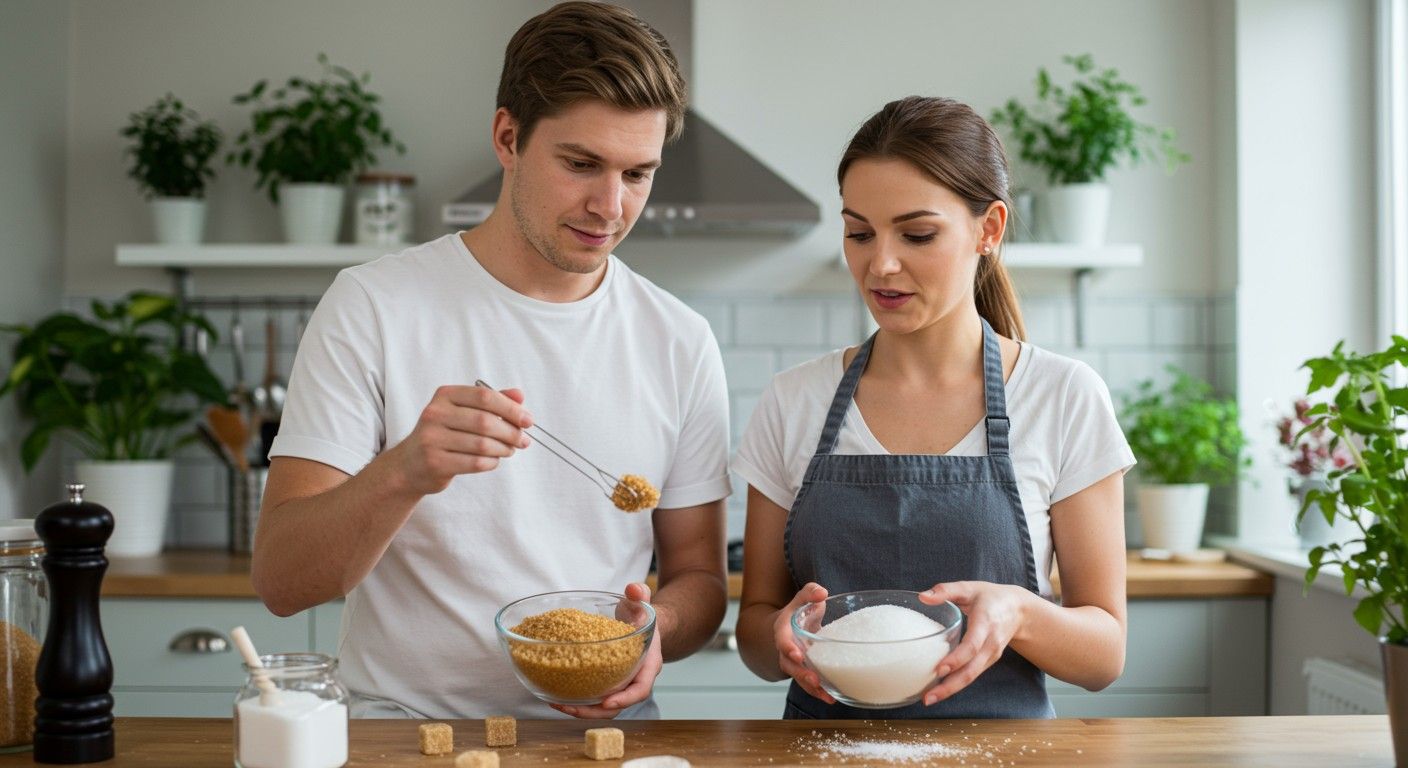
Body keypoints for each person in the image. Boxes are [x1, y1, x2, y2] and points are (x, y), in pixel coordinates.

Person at [252, 1, 731, 721]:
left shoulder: (679, 339)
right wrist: (406, 470)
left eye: (638, 173)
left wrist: (655, 629)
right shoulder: (374, 306)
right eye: (581, 164)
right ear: (508, 137)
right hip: (401, 726)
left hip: (598, 733)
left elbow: (698, 576)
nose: (610, 205)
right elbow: (283, 580)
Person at [732, 96, 1135, 719]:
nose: (880, 264)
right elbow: (755, 633)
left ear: (989, 230)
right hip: (820, 759)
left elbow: (1104, 655)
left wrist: (1021, 612)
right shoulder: (795, 401)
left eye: (917, 234)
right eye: (859, 233)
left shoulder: (1063, 397)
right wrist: (779, 636)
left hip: (1007, 760)